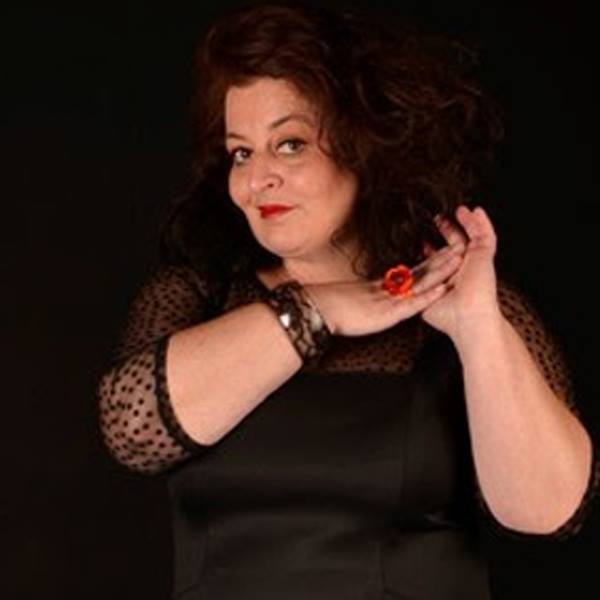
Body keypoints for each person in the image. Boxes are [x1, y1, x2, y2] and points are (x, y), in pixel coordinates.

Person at [96, 2, 599, 598]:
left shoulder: (462, 303)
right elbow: (132, 431)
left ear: (364, 147)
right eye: (241, 152)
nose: (257, 180)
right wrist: (319, 309)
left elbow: (547, 512)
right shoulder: (200, 293)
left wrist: (477, 327)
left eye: (289, 144)